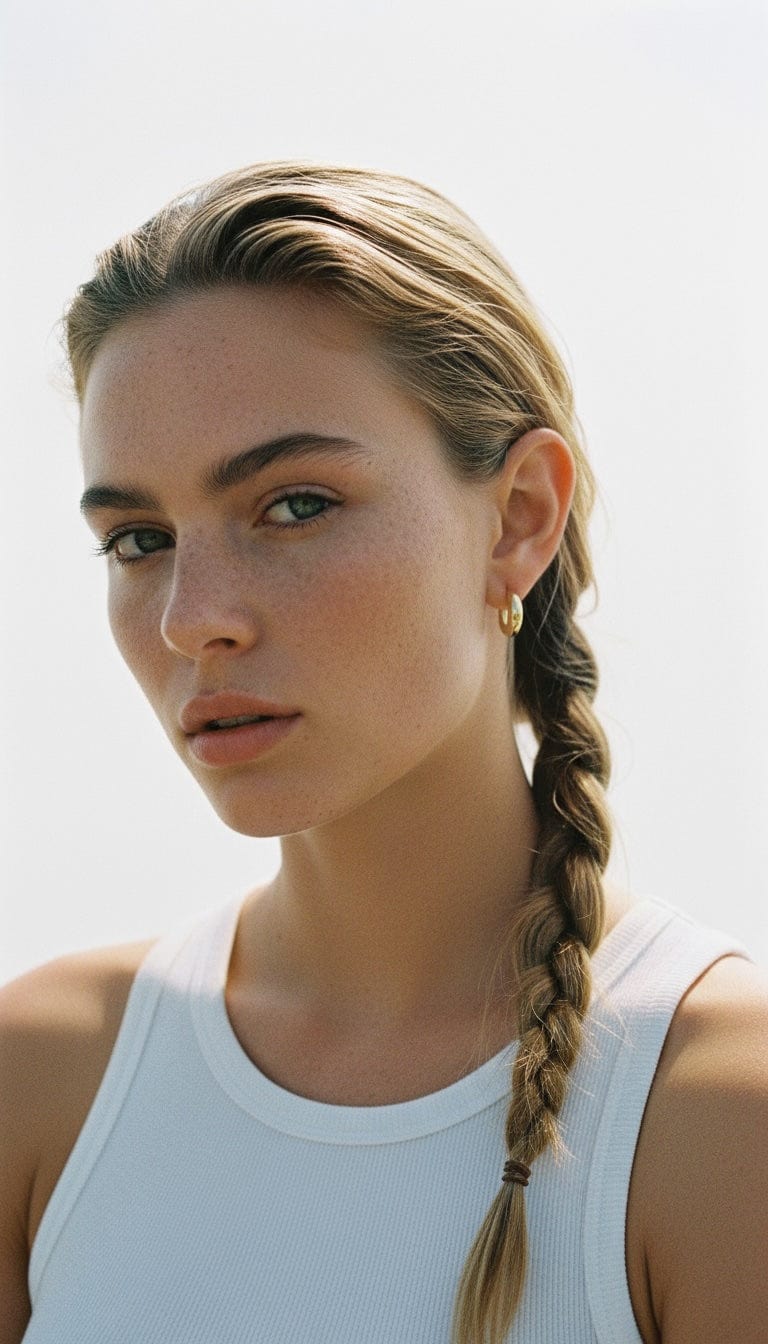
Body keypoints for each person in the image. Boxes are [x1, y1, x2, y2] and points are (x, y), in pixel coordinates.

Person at [1, 162, 766, 1344]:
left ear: (519, 517)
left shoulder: (720, 1118)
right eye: (140, 538)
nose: (193, 617)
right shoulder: (45, 1084)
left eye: (296, 505)